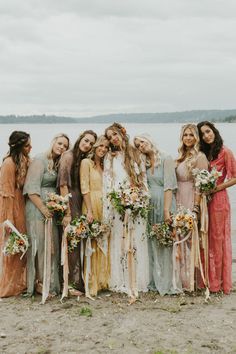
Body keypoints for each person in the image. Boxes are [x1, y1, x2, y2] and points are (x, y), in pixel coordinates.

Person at [104, 122, 149, 302]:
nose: (113, 139)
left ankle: (137, 279)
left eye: (114, 134)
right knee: (120, 241)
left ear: (122, 133)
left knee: (137, 240)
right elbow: (108, 182)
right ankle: (121, 278)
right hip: (118, 204)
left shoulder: (136, 153)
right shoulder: (110, 157)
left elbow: (143, 177)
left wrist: (140, 199)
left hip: (136, 202)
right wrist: (115, 201)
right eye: (109, 137)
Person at [23, 133, 69, 299]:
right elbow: (30, 189)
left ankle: (51, 283)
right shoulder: (40, 159)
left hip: (52, 209)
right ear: (53, 142)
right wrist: (43, 208)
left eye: (65, 146)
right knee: (40, 246)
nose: (61, 147)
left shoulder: (56, 163)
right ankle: (39, 283)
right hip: (37, 208)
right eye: (59, 143)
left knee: (52, 247)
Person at [134, 134, 179, 296]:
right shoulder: (145, 163)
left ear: (150, 140)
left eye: (142, 142)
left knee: (166, 241)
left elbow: (169, 187)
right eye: (138, 145)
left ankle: (168, 281)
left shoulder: (166, 158)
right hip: (150, 206)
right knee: (153, 242)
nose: (141, 146)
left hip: (164, 204)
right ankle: (156, 279)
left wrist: (167, 211)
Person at [197, 121, 236, 294]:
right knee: (205, 238)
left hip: (219, 200)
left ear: (214, 131)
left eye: (208, 131)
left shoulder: (225, 152)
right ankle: (206, 279)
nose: (206, 135)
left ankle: (219, 282)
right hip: (204, 200)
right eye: (203, 134)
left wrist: (215, 188)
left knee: (218, 239)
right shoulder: (203, 153)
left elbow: (234, 177)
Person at [57, 130, 97, 293]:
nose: (87, 144)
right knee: (71, 240)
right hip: (69, 201)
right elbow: (63, 185)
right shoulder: (68, 156)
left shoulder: (82, 158)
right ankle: (70, 283)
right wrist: (66, 213)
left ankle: (76, 280)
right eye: (86, 140)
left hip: (79, 201)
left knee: (76, 240)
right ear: (80, 138)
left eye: (91, 143)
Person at [175, 124, 209, 292]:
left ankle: (193, 280)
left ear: (196, 137)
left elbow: (200, 185)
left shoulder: (200, 157)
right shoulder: (182, 156)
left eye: (191, 135)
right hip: (178, 198)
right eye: (185, 135)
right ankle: (182, 280)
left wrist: (195, 207)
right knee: (179, 238)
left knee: (191, 238)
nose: (187, 138)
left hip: (190, 197)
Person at [0, 131, 31, 297]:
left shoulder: (24, 160)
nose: (30, 147)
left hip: (23, 205)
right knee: (13, 246)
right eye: (27, 145)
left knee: (22, 246)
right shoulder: (9, 163)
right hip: (12, 207)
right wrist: (8, 219)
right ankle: (8, 287)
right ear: (18, 147)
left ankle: (21, 282)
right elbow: (6, 192)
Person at [80, 135, 110, 298]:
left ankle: (103, 280)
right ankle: (91, 282)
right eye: (101, 146)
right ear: (95, 146)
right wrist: (89, 211)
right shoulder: (86, 163)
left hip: (105, 205)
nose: (103, 149)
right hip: (91, 203)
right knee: (92, 242)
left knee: (103, 240)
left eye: (106, 147)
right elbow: (84, 187)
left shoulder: (105, 165)